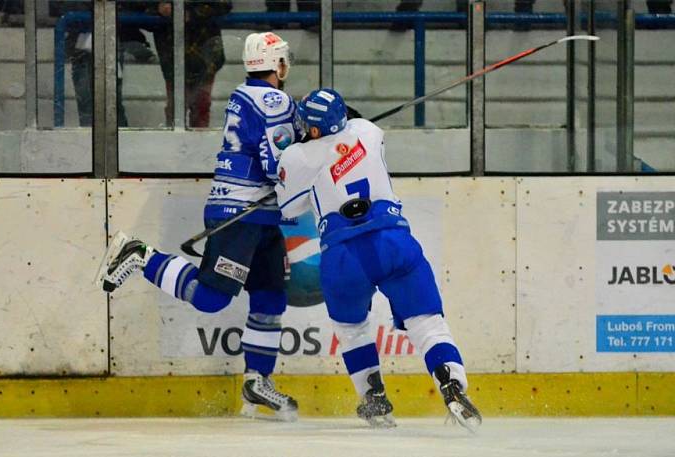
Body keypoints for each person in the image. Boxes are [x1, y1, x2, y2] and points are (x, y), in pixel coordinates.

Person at [95, 32, 300, 421]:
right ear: (277, 64)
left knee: (271, 297)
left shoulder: (247, 95)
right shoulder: (275, 100)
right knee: (212, 298)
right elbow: (277, 165)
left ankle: (257, 381)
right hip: (242, 213)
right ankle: (140, 255)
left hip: (259, 215)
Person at [274, 88, 482, 431]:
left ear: (312, 129)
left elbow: (289, 208)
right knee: (426, 323)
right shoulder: (370, 133)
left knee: (352, 329)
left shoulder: (297, 158)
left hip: (342, 255)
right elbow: (349, 128)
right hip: (393, 242)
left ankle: (374, 398)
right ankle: (452, 382)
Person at [145, 1, 232, 127]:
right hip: (173, 53)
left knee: (200, 104)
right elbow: (138, 7)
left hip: (202, 53)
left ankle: (199, 142)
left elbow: (224, 5)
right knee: (176, 107)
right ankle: (174, 140)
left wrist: (191, 14)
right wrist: (158, 8)